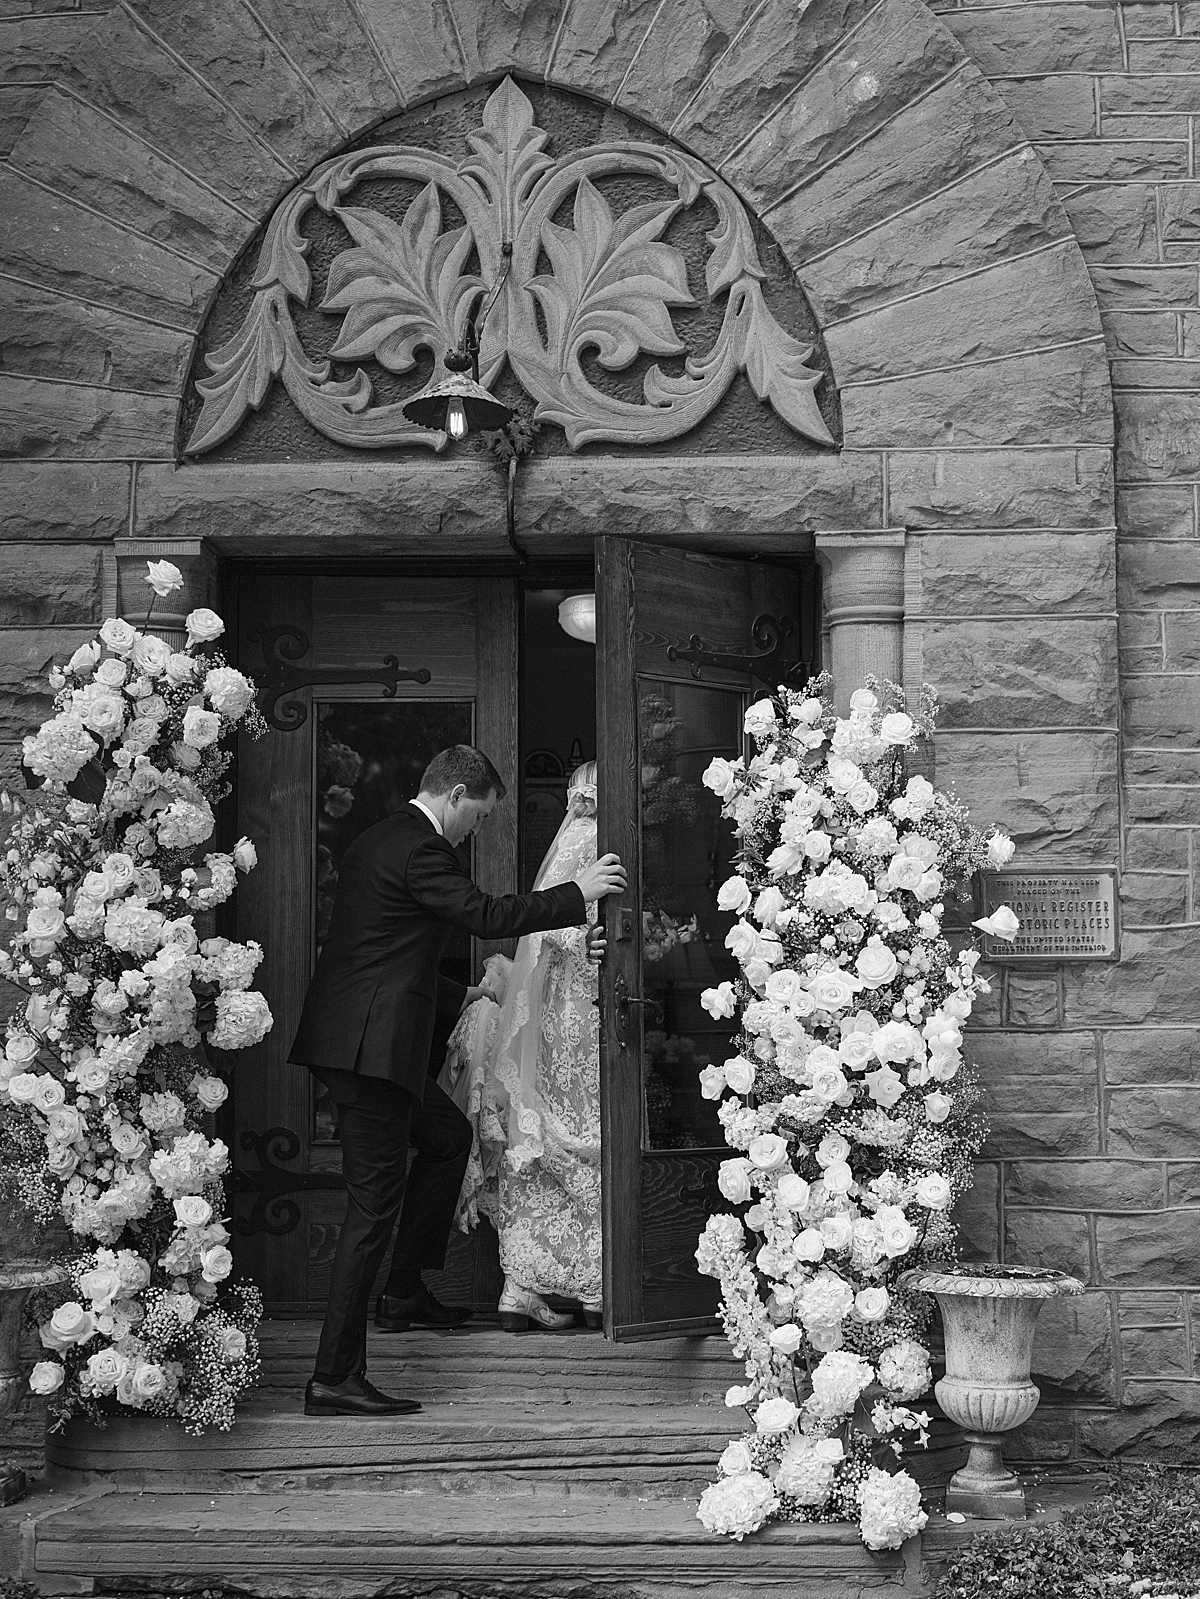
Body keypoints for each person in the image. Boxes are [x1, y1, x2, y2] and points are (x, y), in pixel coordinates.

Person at [289, 745, 625, 1417]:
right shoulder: (423, 848)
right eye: (482, 815)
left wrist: (461, 993)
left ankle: (404, 1291)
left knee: (446, 1138)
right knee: (371, 1209)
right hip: (369, 1055)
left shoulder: (379, 839)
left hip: (359, 1042)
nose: (478, 829)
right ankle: (333, 1375)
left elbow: (381, 951)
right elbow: (486, 915)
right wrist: (578, 893)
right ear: (457, 795)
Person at [440, 761, 602, 1332]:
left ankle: (526, 1286)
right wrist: (590, 944)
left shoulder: (577, 838)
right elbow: (550, 927)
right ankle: (592, 1285)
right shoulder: (593, 840)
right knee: (576, 1128)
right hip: (576, 1012)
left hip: (565, 1009)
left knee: (548, 1129)